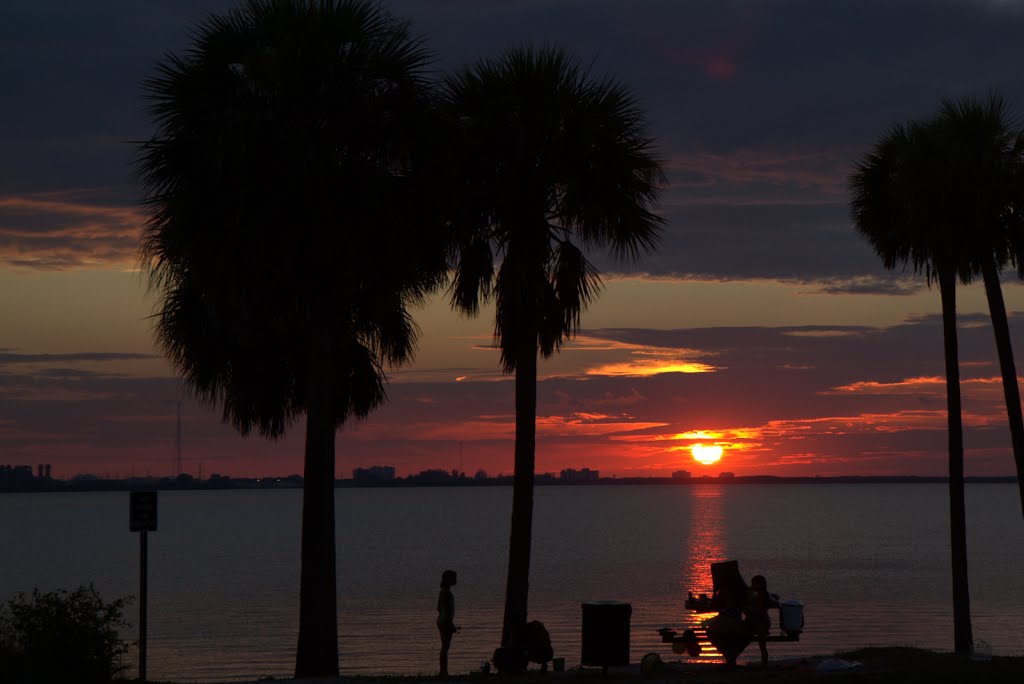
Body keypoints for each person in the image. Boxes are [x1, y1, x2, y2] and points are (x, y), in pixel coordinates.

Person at [744, 574, 773, 666]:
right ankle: (764, 663)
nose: (752, 586)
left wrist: (745, 609)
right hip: (761, 622)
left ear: (760, 585)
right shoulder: (761, 594)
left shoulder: (762, 596)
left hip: (761, 623)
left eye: (754, 584)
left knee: (762, 645)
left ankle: (764, 663)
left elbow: (756, 610)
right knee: (762, 645)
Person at [437, 569, 458, 676]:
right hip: (445, 622)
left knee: (445, 646)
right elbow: (446, 610)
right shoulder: (446, 593)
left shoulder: (443, 591)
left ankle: (443, 670)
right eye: (454, 578)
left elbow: (439, 608)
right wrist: (451, 625)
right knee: (445, 647)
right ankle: (443, 671)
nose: (456, 580)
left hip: (442, 621)